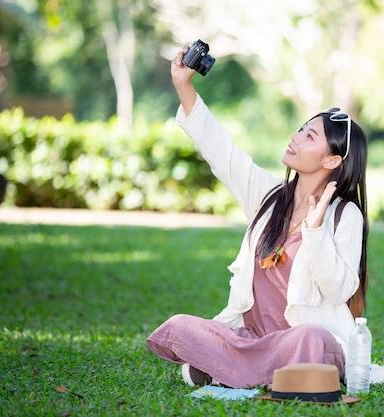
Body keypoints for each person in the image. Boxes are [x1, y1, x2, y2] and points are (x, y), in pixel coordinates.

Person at [146, 45, 369, 389]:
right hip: (251, 337)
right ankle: (249, 366)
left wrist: (315, 232)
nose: (295, 138)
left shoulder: (344, 216)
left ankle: (230, 369)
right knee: (181, 325)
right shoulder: (268, 197)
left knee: (313, 340)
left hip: (301, 343)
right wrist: (183, 85)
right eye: (301, 129)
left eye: (309, 136)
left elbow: (340, 290)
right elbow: (222, 151)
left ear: (332, 161)